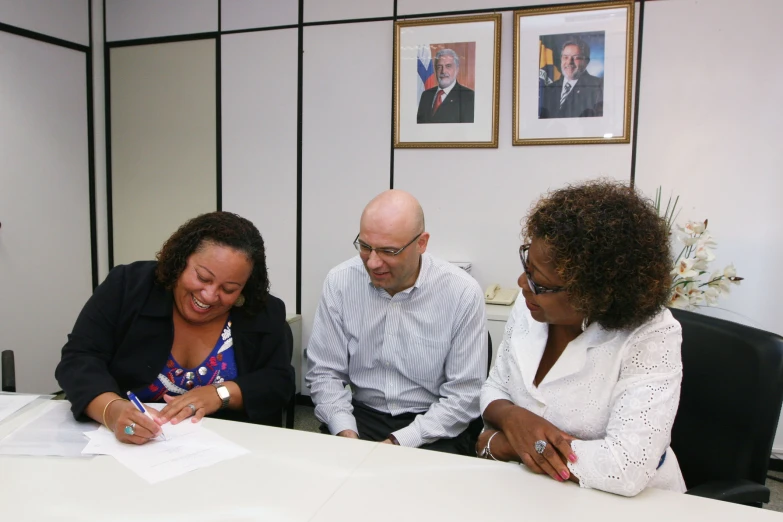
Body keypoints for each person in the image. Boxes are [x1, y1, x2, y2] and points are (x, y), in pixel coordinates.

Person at [477, 180, 686, 497]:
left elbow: (624, 468)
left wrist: (506, 443)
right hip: (528, 493)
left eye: (540, 282)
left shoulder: (652, 335)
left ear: (595, 295)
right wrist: (511, 415)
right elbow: (495, 387)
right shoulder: (529, 306)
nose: (522, 284)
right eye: (526, 266)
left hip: (627, 506)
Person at [56, 212, 294, 444]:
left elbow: (278, 382)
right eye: (202, 277)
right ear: (180, 261)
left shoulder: (262, 311)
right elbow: (79, 359)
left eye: (229, 289)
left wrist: (221, 393)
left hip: (226, 450)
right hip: (130, 448)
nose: (210, 296)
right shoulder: (128, 287)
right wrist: (112, 411)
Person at [306, 190, 486, 455]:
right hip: (360, 418)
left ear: (421, 243)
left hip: (434, 425)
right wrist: (345, 431)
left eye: (389, 251)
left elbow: (464, 395)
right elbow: (324, 373)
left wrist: (398, 442)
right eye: (365, 247)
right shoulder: (341, 282)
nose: (374, 262)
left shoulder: (461, 292)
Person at [539, 37, 603, 119]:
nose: (569, 62)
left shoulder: (598, 87)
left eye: (576, 58)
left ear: (586, 61)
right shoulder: (549, 88)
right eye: (565, 57)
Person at [417, 48, 475, 124]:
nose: (443, 71)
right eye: (439, 67)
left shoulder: (468, 96)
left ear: (457, 69)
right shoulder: (426, 95)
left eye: (448, 66)